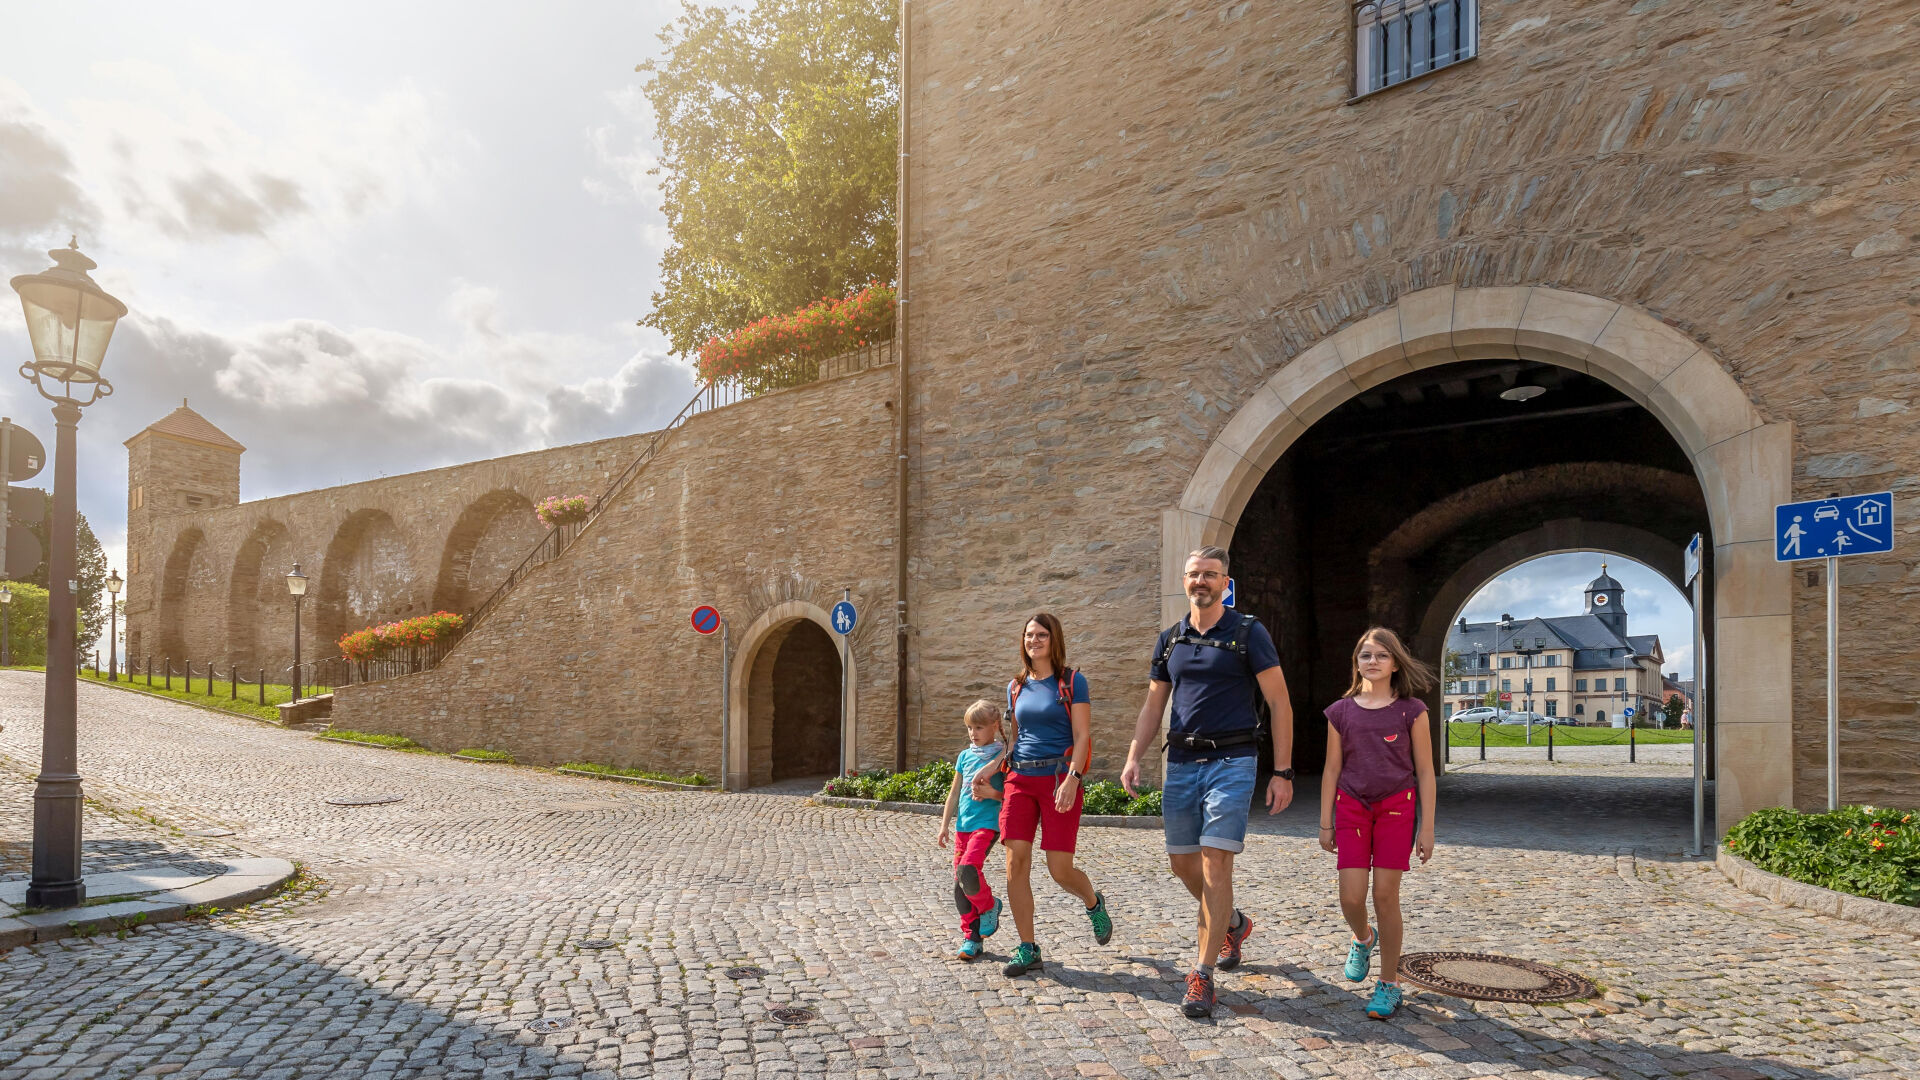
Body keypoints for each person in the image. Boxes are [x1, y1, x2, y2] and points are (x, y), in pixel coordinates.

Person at [1121, 546, 1294, 1019]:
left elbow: (1279, 702)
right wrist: (1135, 756)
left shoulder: (1248, 632)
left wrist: (1282, 771)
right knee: (1182, 865)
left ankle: (1201, 974)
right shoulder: (1170, 639)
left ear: (1224, 582)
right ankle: (1233, 924)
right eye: (1194, 574)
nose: (1201, 582)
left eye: (1210, 575)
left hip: (1233, 760)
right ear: (1184, 580)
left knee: (1216, 861)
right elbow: (1154, 705)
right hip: (1180, 762)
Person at [978, 612, 1113, 977]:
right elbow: (1019, 738)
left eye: (1040, 635)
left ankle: (1092, 901)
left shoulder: (1073, 682)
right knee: (1015, 863)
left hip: (1058, 779)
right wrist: (993, 769)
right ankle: (1027, 947)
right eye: (1028, 635)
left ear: (1054, 640)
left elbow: (1082, 736)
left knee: (1059, 869)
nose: (1033, 640)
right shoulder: (1016, 686)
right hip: (1020, 780)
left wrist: (1073, 778)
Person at [1319, 626, 1437, 1021]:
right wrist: (1325, 822)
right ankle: (1362, 938)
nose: (1373, 661)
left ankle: (1389, 984)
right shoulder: (1340, 711)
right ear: (1357, 662)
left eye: (1381, 656)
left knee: (1385, 895)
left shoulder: (1412, 710)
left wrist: (1428, 828)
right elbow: (1331, 768)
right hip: (1351, 807)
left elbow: (1425, 771)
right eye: (1366, 655)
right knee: (1351, 897)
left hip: (1396, 809)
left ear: (1395, 663)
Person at [936, 699, 1008, 960]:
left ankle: (990, 905)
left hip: (986, 825)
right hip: (963, 827)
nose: (973, 733)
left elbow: (1012, 794)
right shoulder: (964, 756)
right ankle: (972, 939)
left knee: (968, 869)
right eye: (969, 727)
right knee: (959, 886)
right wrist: (945, 825)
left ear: (994, 726)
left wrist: (993, 793)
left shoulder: (1003, 756)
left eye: (978, 727)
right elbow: (954, 792)